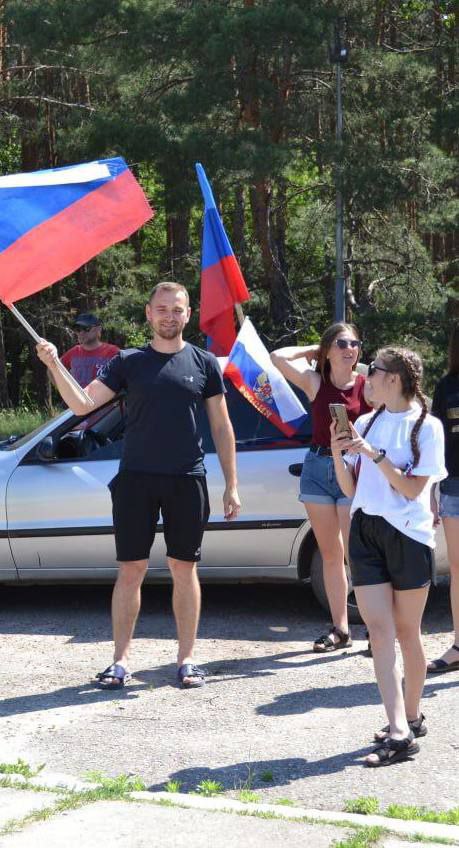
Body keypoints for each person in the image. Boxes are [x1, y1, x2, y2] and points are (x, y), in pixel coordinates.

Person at [36, 282, 241, 690]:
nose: (169, 316)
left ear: (187, 314)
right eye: (161, 309)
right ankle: (120, 662)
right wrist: (54, 364)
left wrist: (231, 485)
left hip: (187, 478)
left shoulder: (203, 363)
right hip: (135, 480)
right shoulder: (128, 362)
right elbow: (81, 404)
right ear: (148, 314)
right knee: (131, 569)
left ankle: (186, 660)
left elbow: (221, 425)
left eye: (177, 309)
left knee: (186, 569)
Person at [330, 347, 446, 766]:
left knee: (407, 632)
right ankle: (399, 728)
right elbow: (348, 489)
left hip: (410, 536)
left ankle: (412, 715)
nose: (367, 378)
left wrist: (373, 454)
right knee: (379, 632)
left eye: (373, 372)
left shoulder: (427, 427)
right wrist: (336, 448)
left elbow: (413, 490)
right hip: (365, 531)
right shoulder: (364, 421)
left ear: (393, 378)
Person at [271, 323, 371, 652]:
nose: (349, 348)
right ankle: (340, 629)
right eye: (341, 343)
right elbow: (277, 356)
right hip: (317, 466)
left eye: (354, 343)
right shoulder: (316, 382)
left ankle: (375, 627)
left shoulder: (366, 384)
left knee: (356, 554)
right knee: (330, 555)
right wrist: (312, 349)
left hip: (353, 470)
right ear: (329, 349)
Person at [428, 323, 459, 674]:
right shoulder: (446, 386)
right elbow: (437, 444)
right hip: (454, 487)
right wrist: (432, 493)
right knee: (458, 572)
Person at [61, 313, 119, 387]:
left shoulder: (113, 352)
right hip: (78, 398)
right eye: (78, 329)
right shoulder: (73, 352)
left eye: (86, 328)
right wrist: (64, 389)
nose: (81, 333)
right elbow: (53, 369)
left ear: (98, 329)